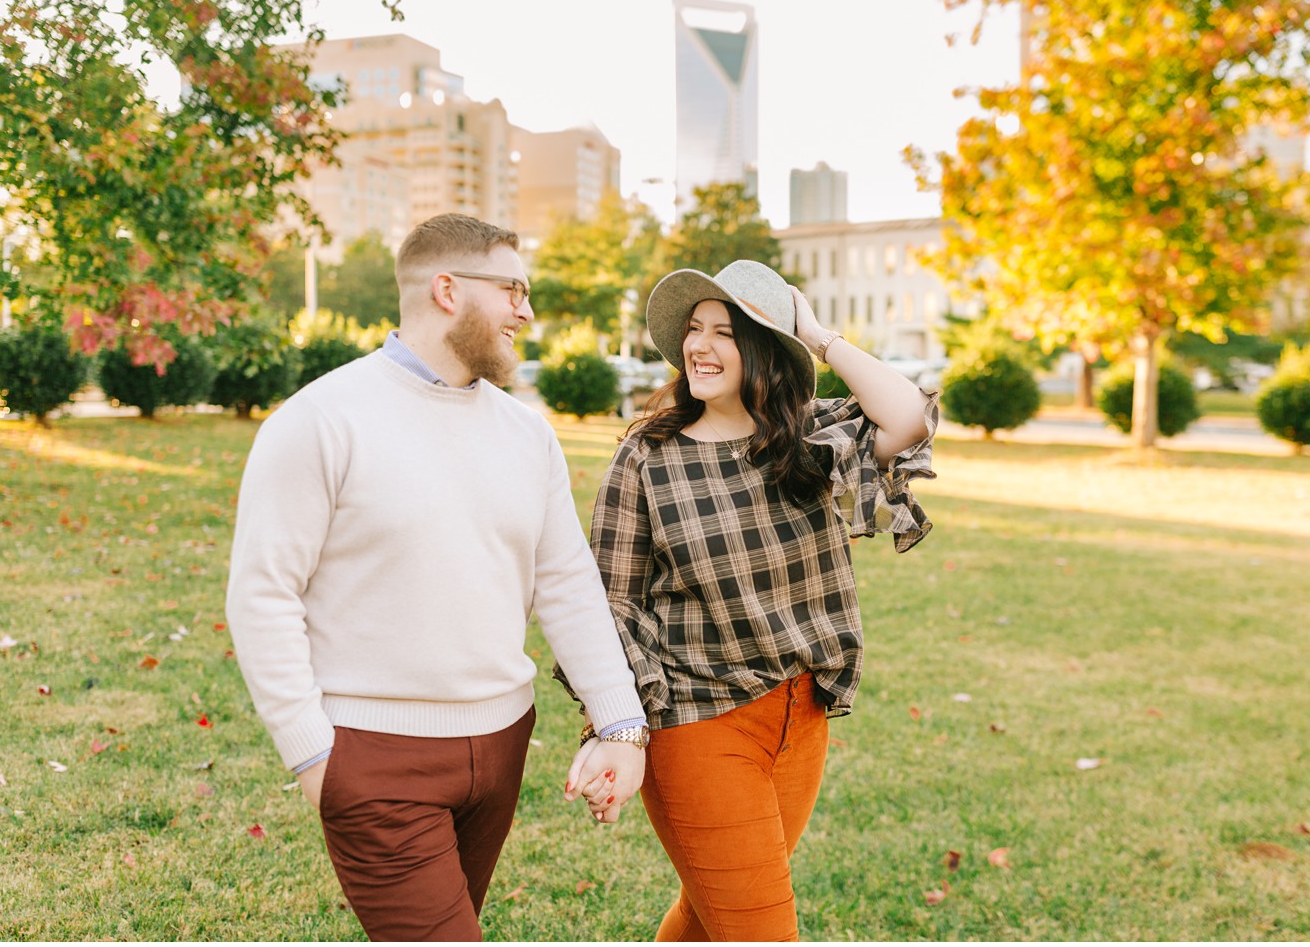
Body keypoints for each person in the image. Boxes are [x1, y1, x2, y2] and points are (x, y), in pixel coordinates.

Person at [225, 214, 652, 943]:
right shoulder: (321, 419)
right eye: (513, 288)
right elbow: (262, 593)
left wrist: (621, 723)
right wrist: (313, 755)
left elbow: (567, 583)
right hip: (372, 757)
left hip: (502, 746)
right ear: (446, 288)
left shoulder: (527, 432)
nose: (527, 310)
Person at [572, 258, 937, 942]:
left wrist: (821, 336)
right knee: (760, 928)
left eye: (724, 331)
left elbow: (910, 418)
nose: (699, 346)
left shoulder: (807, 440)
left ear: (764, 346)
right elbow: (614, 606)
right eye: (693, 330)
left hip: (801, 717)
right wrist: (613, 732)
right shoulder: (646, 457)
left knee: (711, 919)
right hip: (699, 719)